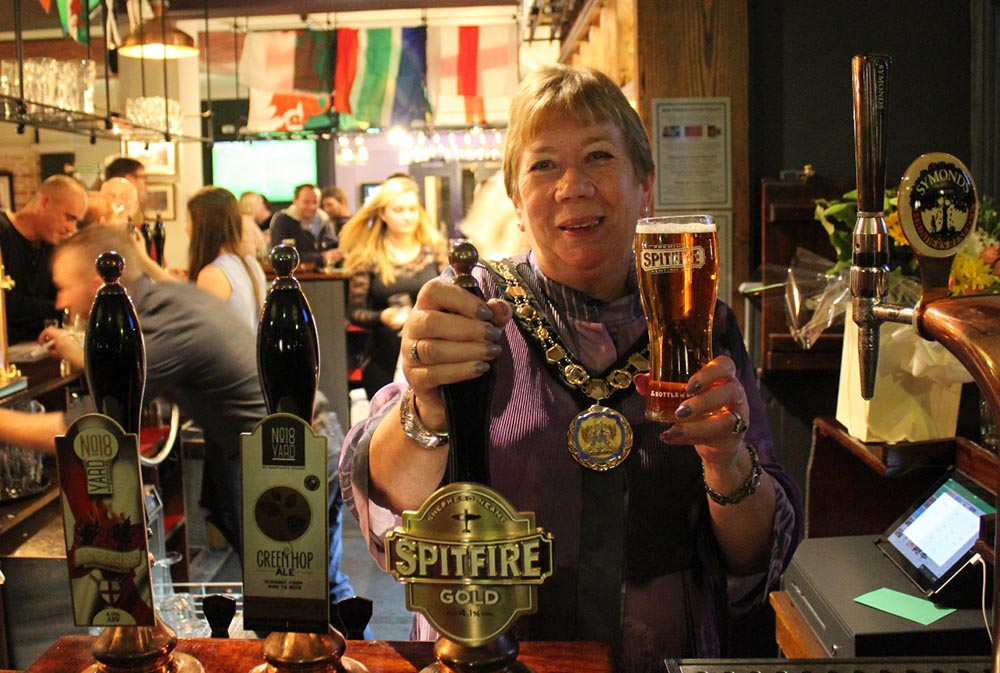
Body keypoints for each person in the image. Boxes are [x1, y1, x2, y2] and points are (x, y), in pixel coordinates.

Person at [340, 65, 802, 671]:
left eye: (599, 156)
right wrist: (425, 410)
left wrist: (725, 461)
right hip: (487, 654)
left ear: (646, 185)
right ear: (515, 197)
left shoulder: (698, 319)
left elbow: (755, 556)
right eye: (543, 165)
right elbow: (387, 516)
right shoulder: (470, 310)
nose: (573, 186)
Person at [339, 176, 447, 402]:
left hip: (432, 355)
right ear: (382, 213)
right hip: (383, 359)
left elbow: (450, 295)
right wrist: (383, 316)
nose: (407, 216)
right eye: (398, 210)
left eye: (412, 209)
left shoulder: (434, 248)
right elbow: (354, 312)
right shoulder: (368, 255)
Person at [0, 174, 86, 343]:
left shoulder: (53, 245)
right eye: (69, 217)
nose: (71, 228)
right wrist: (62, 308)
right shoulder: (3, 234)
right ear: (44, 203)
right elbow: (5, 304)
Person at [186, 186, 267, 333]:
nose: (186, 229)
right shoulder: (250, 263)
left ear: (203, 227)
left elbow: (203, 335)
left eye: (189, 222)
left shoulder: (213, 274)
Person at [269, 184, 343, 269]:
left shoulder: (324, 220)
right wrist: (322, 257)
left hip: (326, 277)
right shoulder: (283, 220)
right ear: (295, 201)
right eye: (306, 202)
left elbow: (333, 247)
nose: (311, 207)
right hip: (297, 276)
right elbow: (280, 255)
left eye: (315, 202)